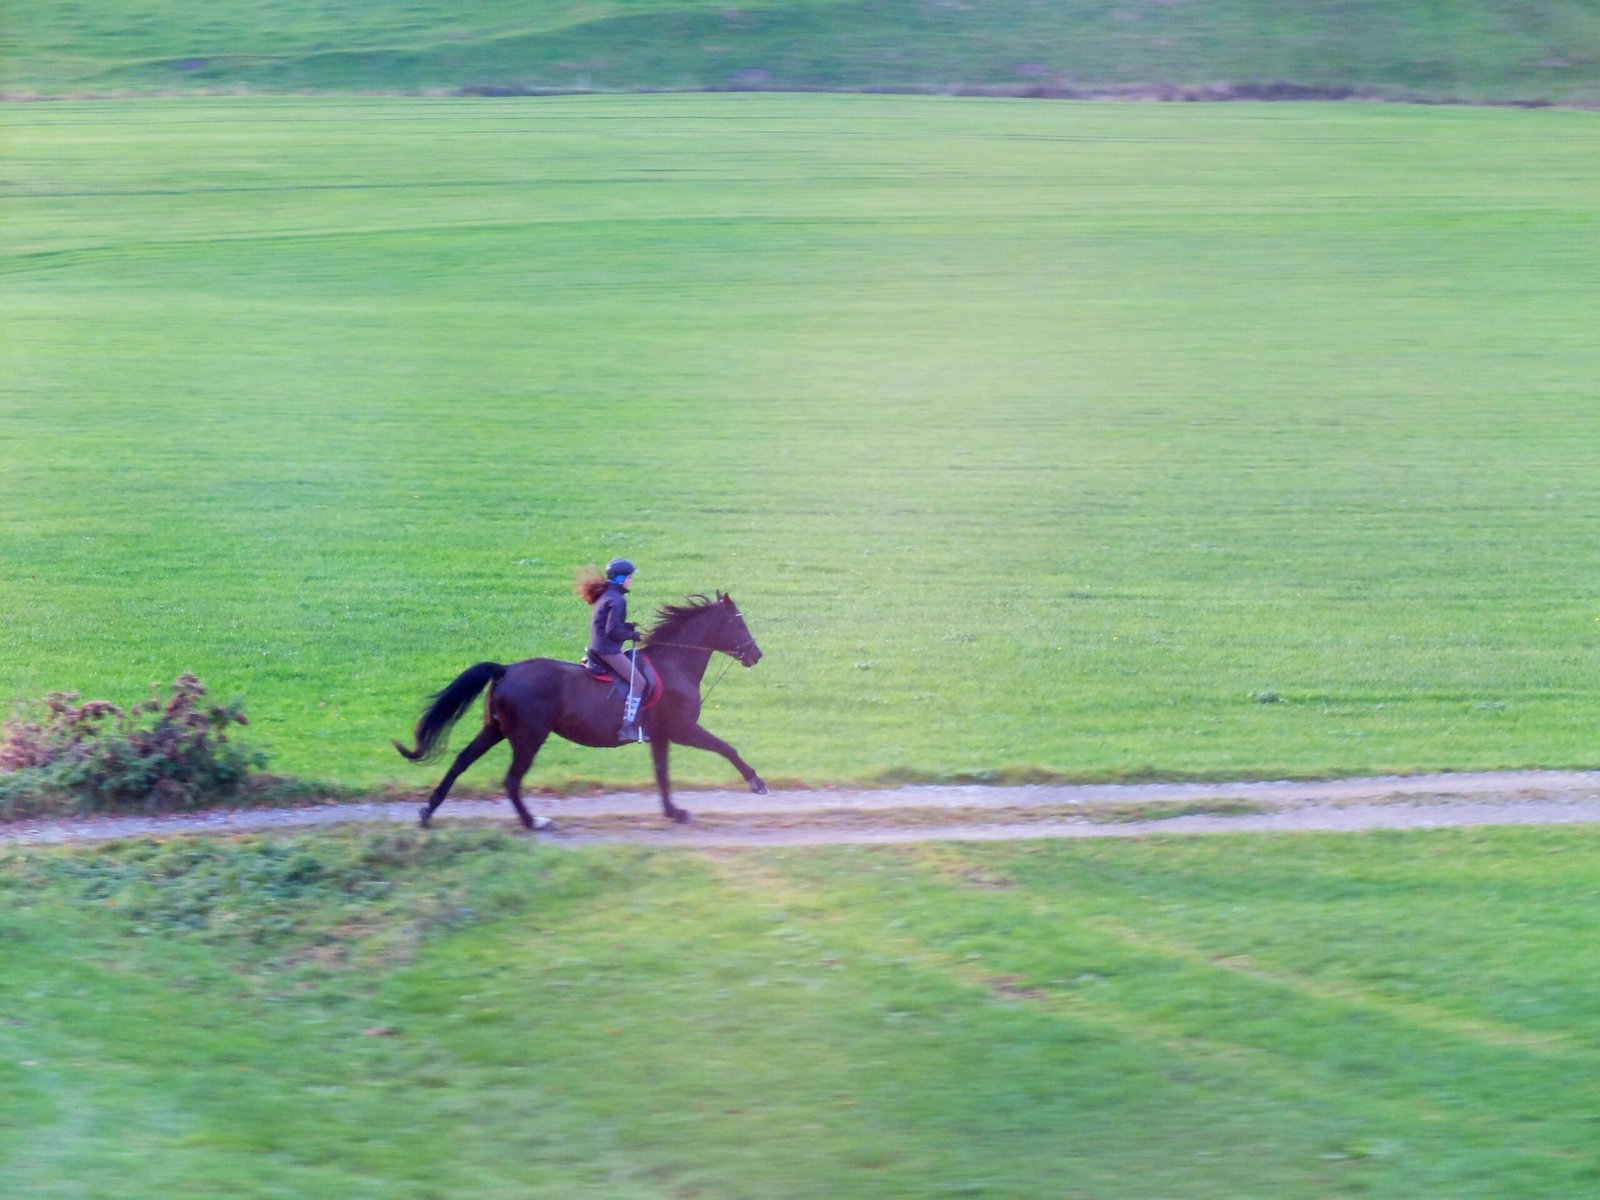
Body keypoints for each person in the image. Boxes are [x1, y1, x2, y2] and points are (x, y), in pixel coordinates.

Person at [578, 557, 647, 741]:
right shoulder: (618, 600)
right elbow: (612, 631)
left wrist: (627, 626)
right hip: (606, 650)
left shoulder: (607, 594)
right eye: (630, 577)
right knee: (639, 682)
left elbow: (611, 625)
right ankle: (627, 726)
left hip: (599, 646)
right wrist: (632, 635)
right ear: (620, 580)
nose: (631, 581)